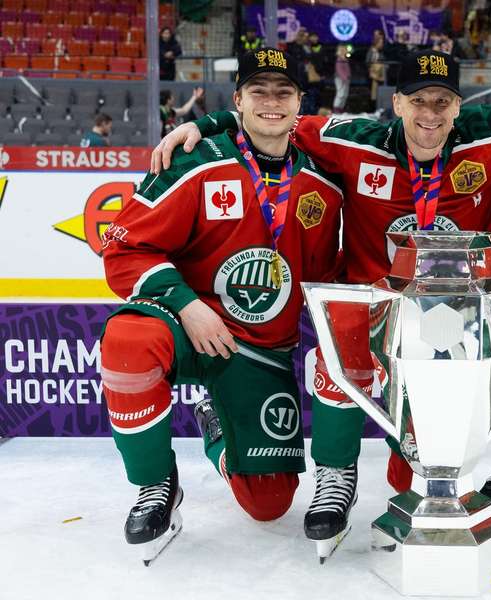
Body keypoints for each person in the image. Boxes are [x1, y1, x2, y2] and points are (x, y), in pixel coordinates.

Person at [150, 51, 491, 541]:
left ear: (457, 106)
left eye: (442, 101)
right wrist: (204, 122)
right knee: (333, 362)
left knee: (416, 470)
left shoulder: (489, 137)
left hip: (455, 316)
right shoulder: (351, 139)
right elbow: (269, 120)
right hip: (376, 308)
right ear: (396, 103)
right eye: (417, 100)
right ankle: (335, 475)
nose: (430, 113)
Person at [99, 48, 343, 564]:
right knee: (127, 342)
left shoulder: (323, 181)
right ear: (239, 101)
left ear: (301, 103)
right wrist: (187, 304)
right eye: (258, 91)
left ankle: (215, 420)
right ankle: (155, 485)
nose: (271, 102)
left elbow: (322, 274)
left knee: (269, 505)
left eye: (284, 92)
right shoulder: (194, 161)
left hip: (260, 348)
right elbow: (123, 249)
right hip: (191, 324)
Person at [366, 32, 386, 112]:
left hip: (380, 75)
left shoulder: (380, 53)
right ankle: (372, 109)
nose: (382, 45)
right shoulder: (371, 52)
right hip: (372, 77)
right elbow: (368, 63)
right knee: (372, 94)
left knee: (378, 93)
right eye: (381, 43)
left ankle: (378, 109)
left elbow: (383, 61)